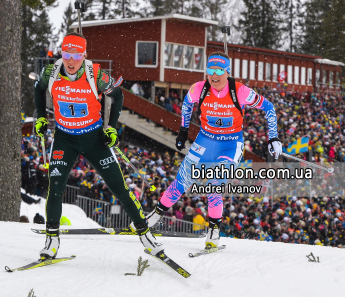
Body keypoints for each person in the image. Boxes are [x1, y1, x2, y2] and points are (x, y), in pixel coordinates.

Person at [34, 32, 163, 259]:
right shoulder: (51, 72)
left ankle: (145, 234)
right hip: (65, 138)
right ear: (61, 53)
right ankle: (51, 240)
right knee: (55, 188)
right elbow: (38, 89)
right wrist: (41, 117)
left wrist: (111, 127)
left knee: (119, 188)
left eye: (76, 55)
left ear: (84, 54)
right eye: (66, 54)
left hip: (94, 138)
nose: (71, 60)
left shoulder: (95, 74)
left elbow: (118, 95)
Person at [143, 52, 282, 249]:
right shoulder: (199, 88)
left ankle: (213, 231)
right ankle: (154, 217)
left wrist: (274, 137)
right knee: (181, 181)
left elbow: (268, 107)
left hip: (230, 145)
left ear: (227, 72)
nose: (213, 75)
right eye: (210, 70)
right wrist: (183, 131)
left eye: (218, 71)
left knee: (214, 183)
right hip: (205, 141)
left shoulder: (240, 91)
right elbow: (186, 105)